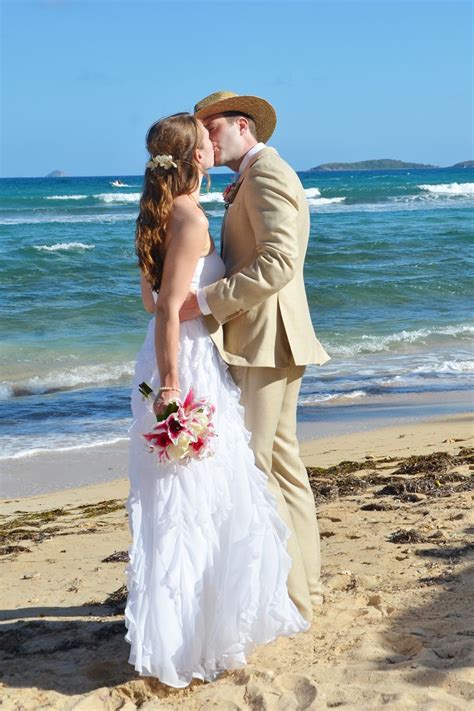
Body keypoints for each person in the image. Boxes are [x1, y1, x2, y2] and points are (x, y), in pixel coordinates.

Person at [125, 112, 309, 689]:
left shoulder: (166, 212)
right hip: (189, 364)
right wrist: (173, 385)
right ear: (196, 158)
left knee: (216, 490)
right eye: (203, 140)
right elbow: (166, 311)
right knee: (202, 494)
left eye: (214, 132)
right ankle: (196, 628)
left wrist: (180, 337)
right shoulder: (189, 216)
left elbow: (155, 299)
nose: (211, 144)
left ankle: (227, 612)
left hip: (203, 355)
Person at [180, 92, 330, 623]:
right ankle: (305, 591)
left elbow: (280, 260)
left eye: (210, 128)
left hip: (268, 339)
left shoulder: (266, 172)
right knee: (283, 467)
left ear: (241, 125)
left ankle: (293, 601)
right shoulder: (254, 174)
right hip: (270, 338)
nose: (204, 141)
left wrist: (206, 301)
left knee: (258, 468)